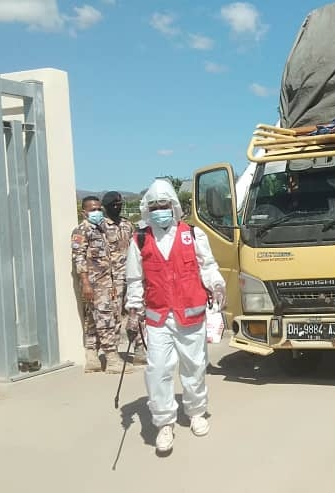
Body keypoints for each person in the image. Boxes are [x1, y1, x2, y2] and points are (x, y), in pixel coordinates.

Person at [125, 178, 226, 454]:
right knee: (158, 370)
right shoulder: (139, 239)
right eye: (155, 205)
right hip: (158, 317)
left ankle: (196, 412)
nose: (160, 209)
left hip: (191, 314)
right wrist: (133, 310)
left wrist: (216, 284)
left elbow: (208, 266)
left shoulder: (192, 235)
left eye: (165, 204)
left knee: (194, 368)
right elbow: (135, 280)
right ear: (148, 208)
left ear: (174, 206)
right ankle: (164, 422)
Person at [71, 196, 131, 374]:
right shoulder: (81, 231)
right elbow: (79, 258)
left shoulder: (103, 228)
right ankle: (111, 357)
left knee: (94, 319)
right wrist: (86, 283)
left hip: (109, 280)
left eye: (98, 208)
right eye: (92, 209)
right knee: (105, 318)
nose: (97, 212)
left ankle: (92, 356)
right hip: (95, 282)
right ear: (84, 212)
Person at [101, 191, 146, 366]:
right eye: (114, 204)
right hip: (112, 280)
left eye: (120, 204)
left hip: (132, 277)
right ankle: (112, 354)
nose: (117, 207)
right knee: (114, 317)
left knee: (137, 313)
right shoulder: (102, 227)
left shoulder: (128, 225)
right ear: (106, 206)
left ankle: (139, 349)